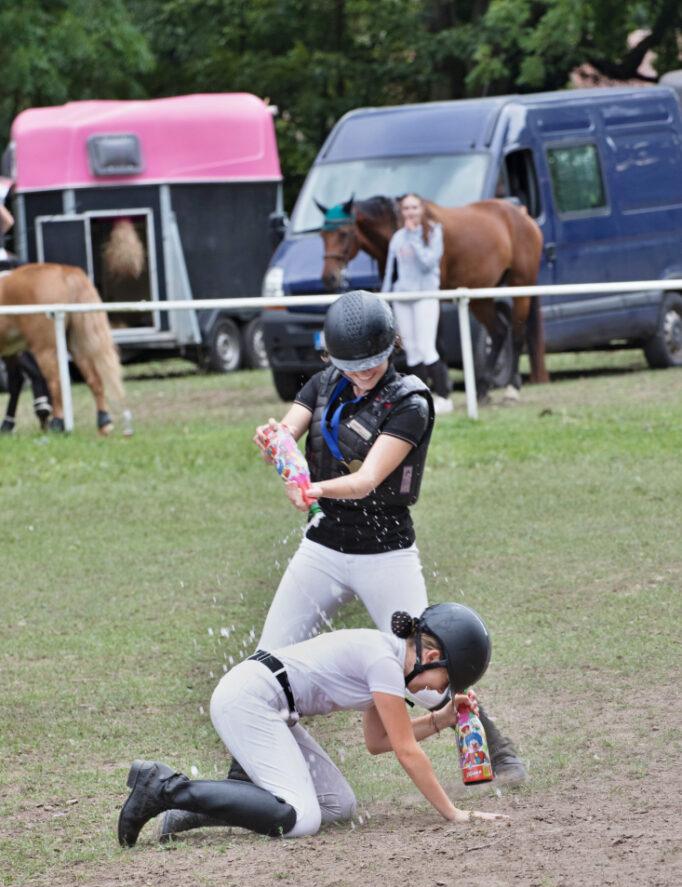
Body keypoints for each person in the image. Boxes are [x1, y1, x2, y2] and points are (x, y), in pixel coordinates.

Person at [163, 290, 526, 838]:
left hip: (386, 552)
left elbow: (367, 479)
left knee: (429, 672)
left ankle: (488, 739)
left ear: (392, 348)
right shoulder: (324, 382)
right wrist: (275, 442)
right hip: (324, 547)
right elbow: (290, 431)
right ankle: (247, 778)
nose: (361, 375)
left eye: (372, 363)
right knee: (268, 659)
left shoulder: (410, 402)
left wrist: (311, 489)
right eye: (350, 365)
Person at [118, 603, 510, 846]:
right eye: (446, 681)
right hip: (248, 700)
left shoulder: (387, 661)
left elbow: (378, 741)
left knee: (338, 805)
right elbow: (407, 751)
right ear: (432, 656)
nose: (439, 691)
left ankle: (216, 800)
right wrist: (454, 813)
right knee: (300, 820)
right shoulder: (385, 663)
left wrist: (442, 719)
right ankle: (164, 787)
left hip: (270, 706)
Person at [381, 193, 453, 415]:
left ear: (422, 209)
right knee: (411, 350)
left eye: (414, 207)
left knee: (426, 346)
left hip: (425, 295)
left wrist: (414, 237)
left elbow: (428, 264)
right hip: (402, 298)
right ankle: (421, 397)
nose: (410, 212)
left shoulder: (434, 232)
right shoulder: (397, 237)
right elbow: (391, 270)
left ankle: (444, 396)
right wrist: (385, 297)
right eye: (406, 208)